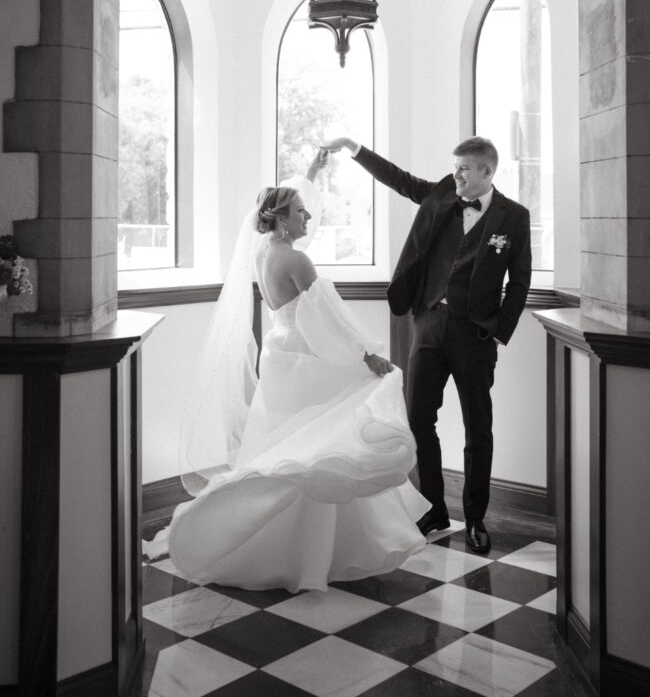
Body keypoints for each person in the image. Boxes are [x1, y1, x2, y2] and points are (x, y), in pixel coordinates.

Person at [160, 151, 428, 592]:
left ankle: (281, 540)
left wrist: (312, 176)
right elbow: (330, 318)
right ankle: (316, 551)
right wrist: (368, 356)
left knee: (288, 442)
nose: (310, 219)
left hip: (279, 355)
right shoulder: (298, 262)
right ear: (283, 219)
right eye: (302, 213)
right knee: (318, 445)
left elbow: (302, 305)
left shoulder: (264, 254)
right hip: (303, 357)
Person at [323, 136, 532, 554]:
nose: (456, 174)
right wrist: (354, 149)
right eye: (455, 166)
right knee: (419, 418)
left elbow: (520, 280)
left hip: (474, 336)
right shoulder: (439, 194)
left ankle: (474, 518)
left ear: (487, 172)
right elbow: (398, 180)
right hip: (430, 327)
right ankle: (435, 507)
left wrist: (496, 328)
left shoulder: (515, 217)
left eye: (465, 169)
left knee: (478, 427)